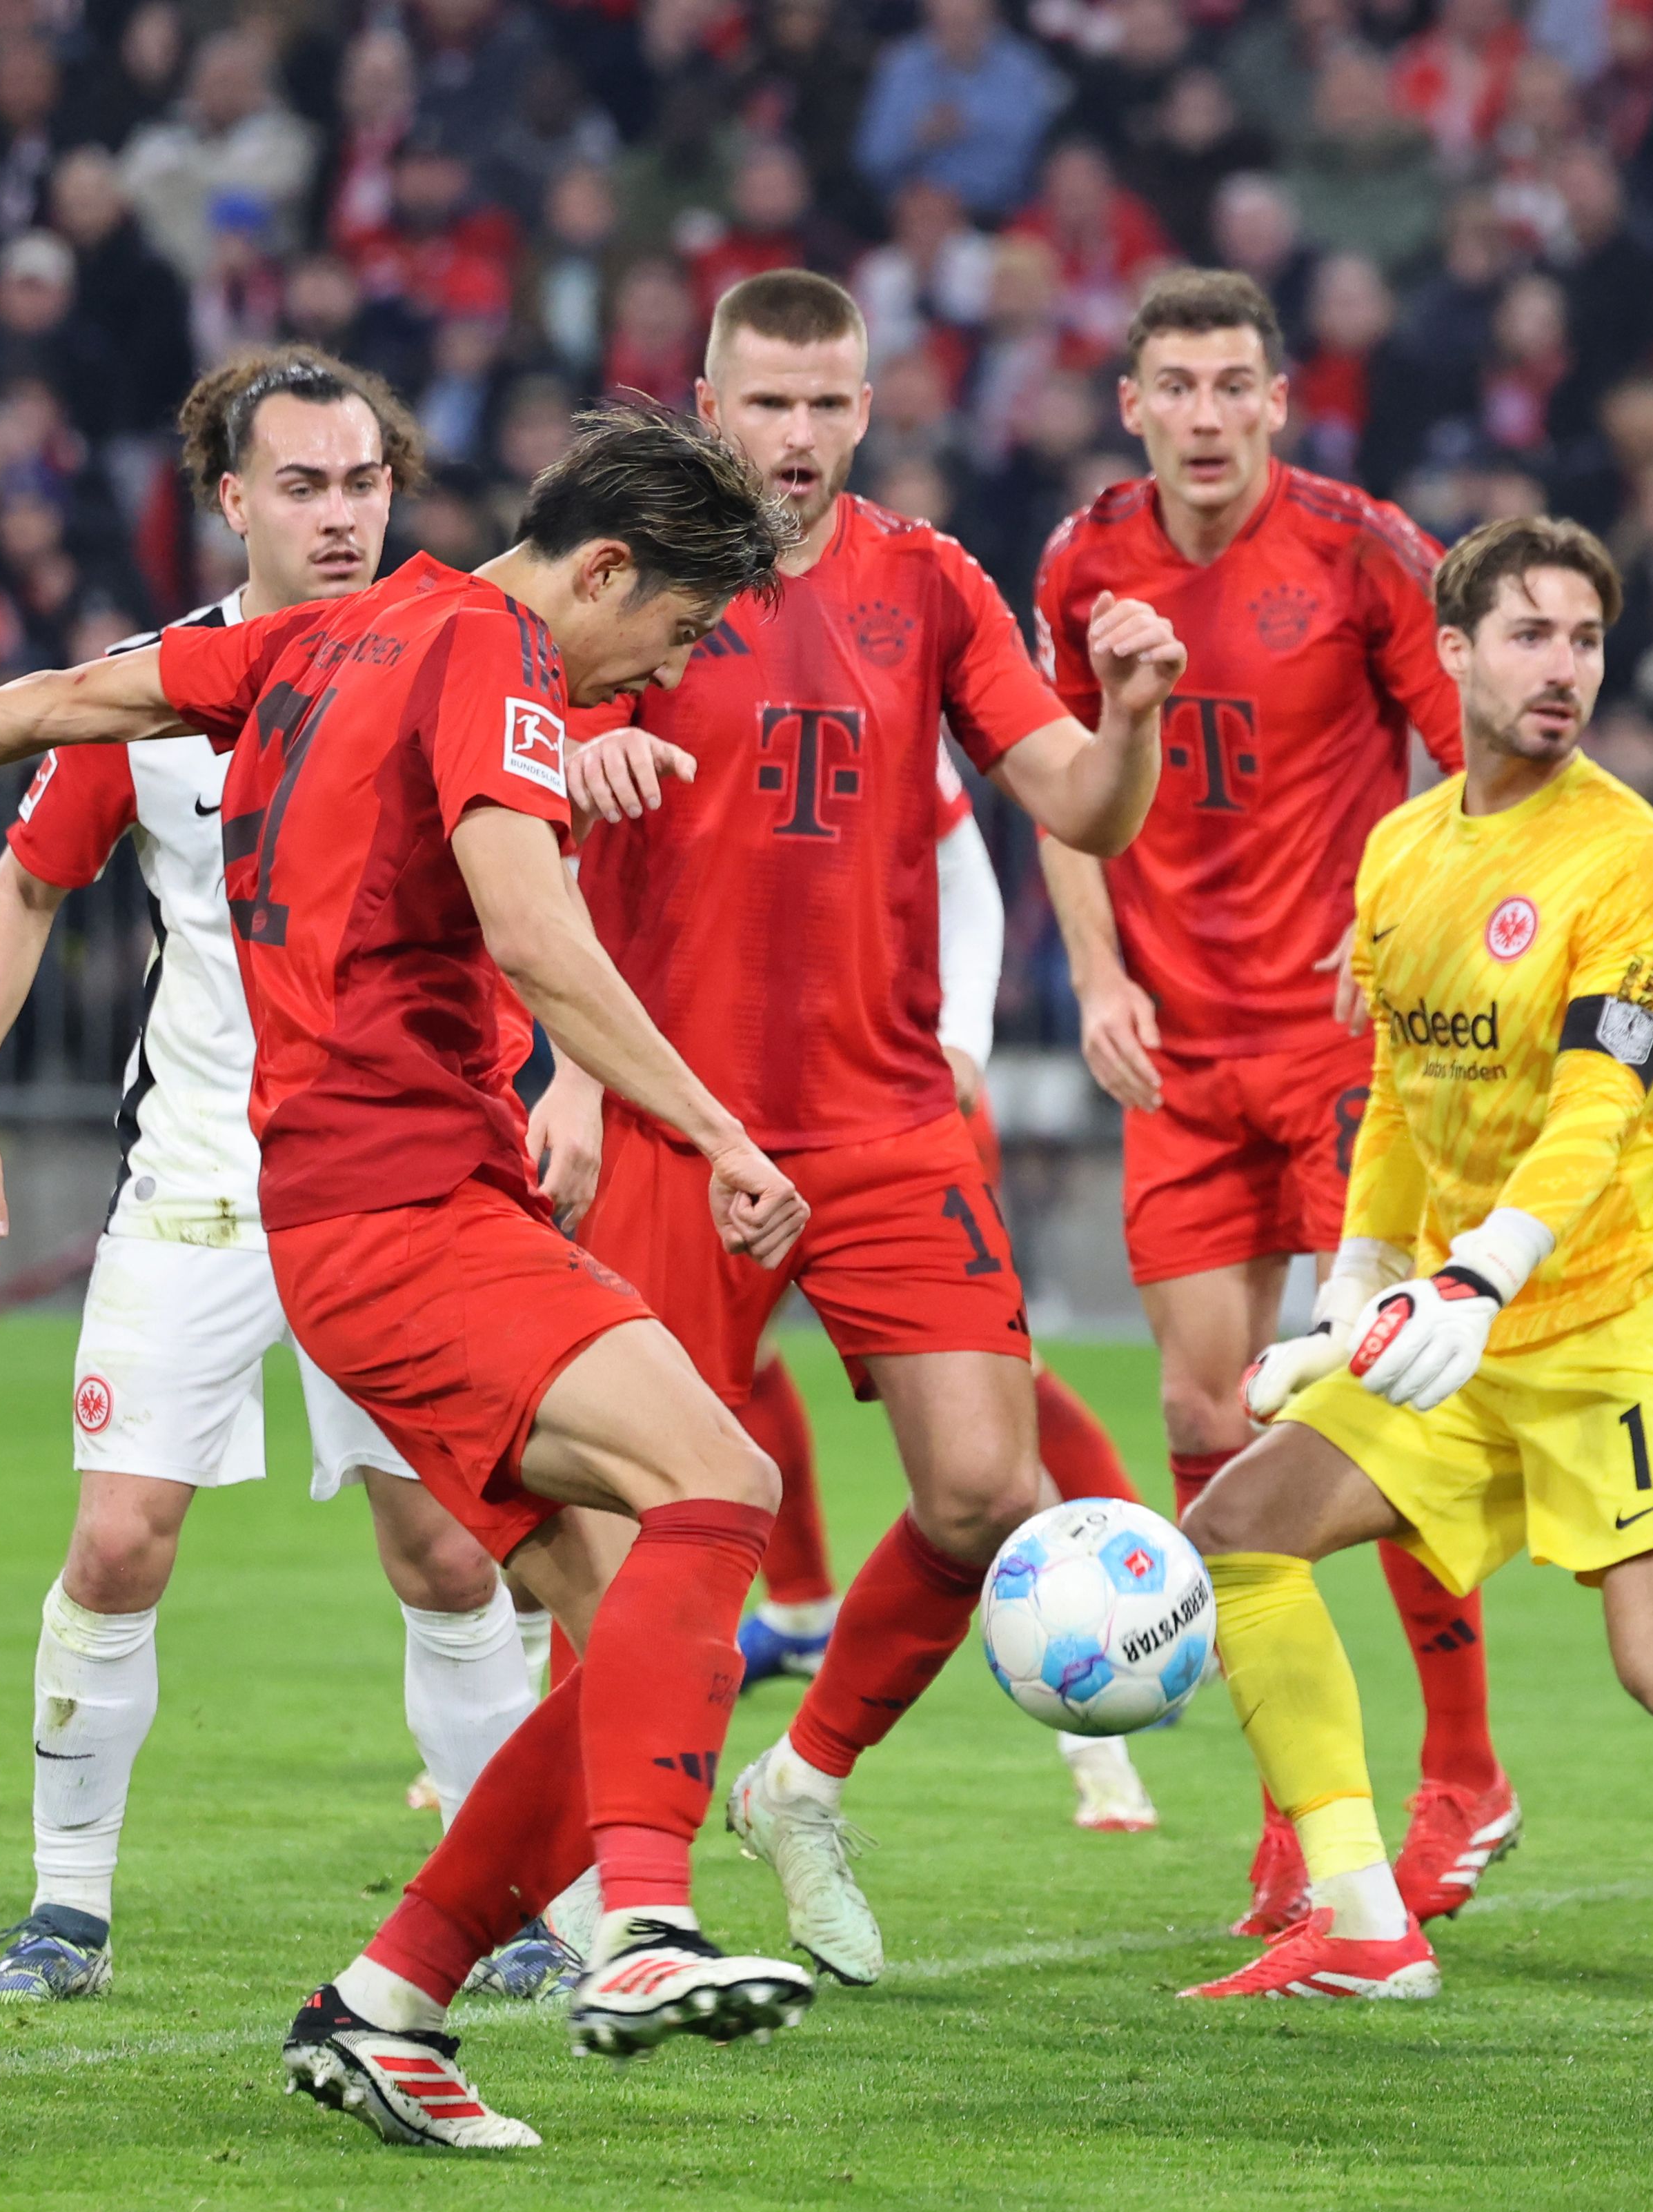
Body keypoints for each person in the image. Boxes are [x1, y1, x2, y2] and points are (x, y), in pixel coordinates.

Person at [0, 406, 831, 2152]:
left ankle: (384, 2006)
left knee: (623, 1617)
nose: (656, 670)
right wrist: (724, 1132)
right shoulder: (494, 652)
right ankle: (644, 1929)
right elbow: (532, 929)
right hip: (408, 1208)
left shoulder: (318, 633)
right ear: (602, 569)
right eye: (668, 633)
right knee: (723, 1477)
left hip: (353, 1205)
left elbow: (52, 702)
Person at [526, 270, 1185, 1988]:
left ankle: (798, 1781)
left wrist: (1130, 717)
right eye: (771, 404)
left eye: (830, 405)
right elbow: (501, 821)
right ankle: (614, 1879)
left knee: (982, 1488)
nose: (800, 439)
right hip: (684, 1116)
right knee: (640, 1515)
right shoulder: (625, 584)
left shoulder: (929, 583)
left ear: (868, 406)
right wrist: (575, 1060)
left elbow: (1074, 808)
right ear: (708, 400)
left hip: (890, 1119)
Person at [1174, 517, 1653, 2004]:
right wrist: (1351, 1288)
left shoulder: (1635, 862)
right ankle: (1366, 1920)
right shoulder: (1401, 849)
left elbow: (1602, 1099)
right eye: (1529, 634)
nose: (1562, 666)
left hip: (1633, 1303)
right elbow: (1396, 1093)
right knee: (1237, 1534)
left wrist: (1477, 1273)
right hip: (1464, 1314)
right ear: (1452, 652)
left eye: (1584, 638)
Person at [0, 348, 540, 2006]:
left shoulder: (462, 659)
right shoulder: (153, 685)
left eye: (362, 485)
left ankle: (508, 1909)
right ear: (232, 499)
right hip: (204, 1173)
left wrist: (579, 1097)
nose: (337, 517)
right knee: (119, 1539)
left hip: (409, 1174)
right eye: (301, 486)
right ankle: (63, 1912)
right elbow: (28, 884)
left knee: (451, 1551)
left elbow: (549, 890)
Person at [1036, 269, 1532, 1942]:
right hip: (1173, 1054)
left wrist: (1391, 936)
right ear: (1132, 404)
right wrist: (1098, 979)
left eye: (1229, 381)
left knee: (1365, 1400)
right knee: (1206, 1413)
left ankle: (1460, 1773)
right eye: (1169, 381)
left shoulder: (1358, 547)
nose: (1199, 411)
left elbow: (1474, 773)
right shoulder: (1082, 560)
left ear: (1274, 401)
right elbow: (1054, 782)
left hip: (1342, 1054)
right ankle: (1294, 1810)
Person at [728, 739, 1168, 1842]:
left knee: (993, 1410)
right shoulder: (679, 643)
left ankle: (1121, 1621)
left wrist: (961, 1038)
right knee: (704, 1378)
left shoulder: (872, 648)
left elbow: (964, 852)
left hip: (888, 1105)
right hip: (720, 1097)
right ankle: (797, 1608)